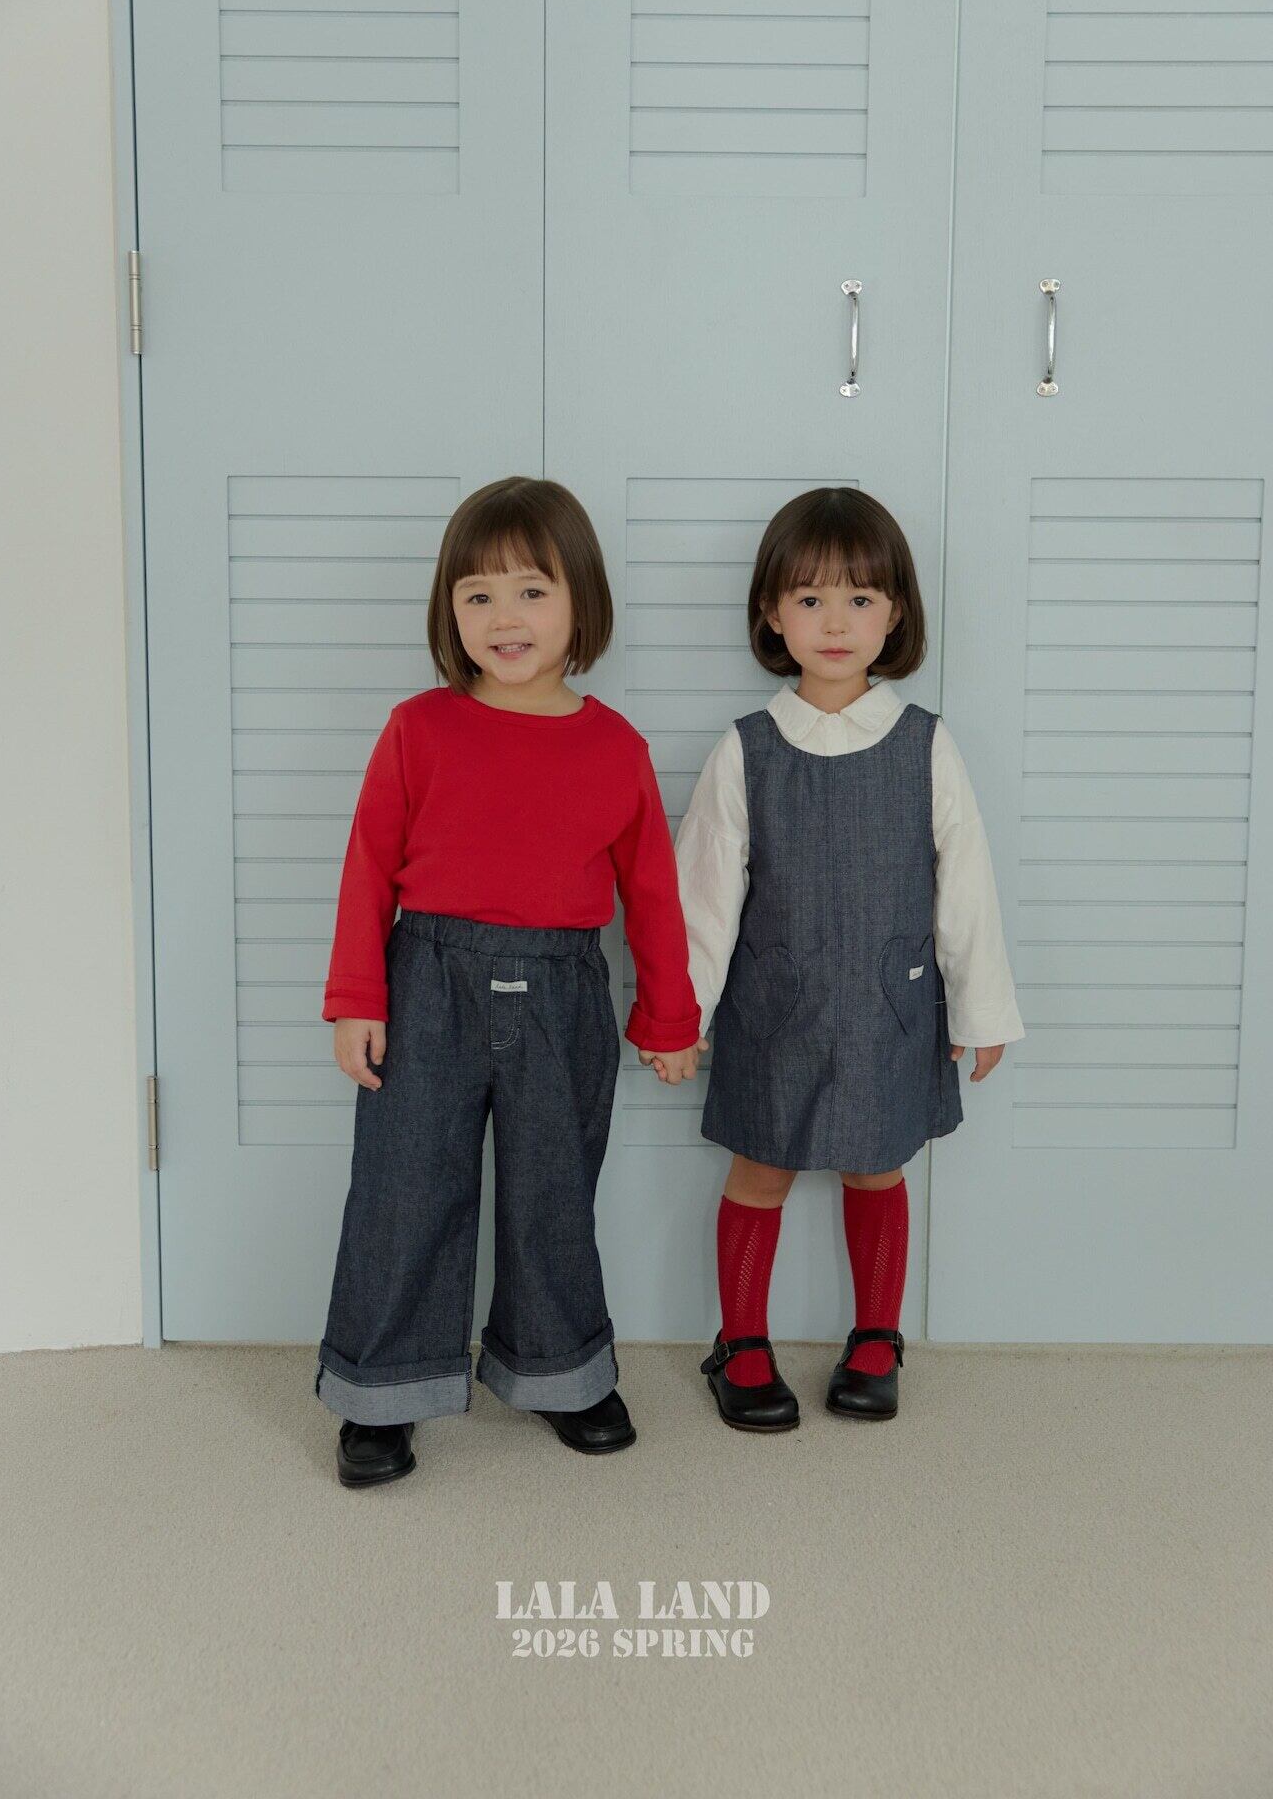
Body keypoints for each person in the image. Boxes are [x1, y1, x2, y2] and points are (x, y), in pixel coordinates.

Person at [315, 476, 705, 1487]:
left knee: (552, 1198)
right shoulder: (419, 729)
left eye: (532, 591)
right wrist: (356, 999)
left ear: (580, 603)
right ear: (449, 610)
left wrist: (668, 1019)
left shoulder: (614, 747)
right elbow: (367, 867)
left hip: (562, 996)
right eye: (478, 595)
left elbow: (651, 897)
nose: (504, 618)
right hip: (426, 986)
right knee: (404, 1192)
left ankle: (563, 1374)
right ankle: (381, 1392)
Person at [675, 487, 1025, 1431]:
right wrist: (681, 1016)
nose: (836, 623)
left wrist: (982, 1010)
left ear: (895, 613)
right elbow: (702, 899)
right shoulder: (746, 751)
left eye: (860, 599)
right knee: (760, 1170)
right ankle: (741, 1343)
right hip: (775, 1010)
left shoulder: (926, 746)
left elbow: (967, 887)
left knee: (877, 1167)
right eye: (811, 599)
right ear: (771, 613)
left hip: (887, 1009)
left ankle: (877, 1337)